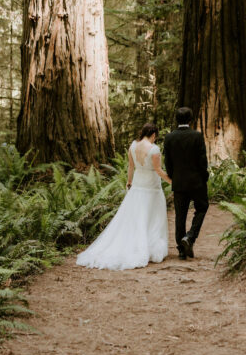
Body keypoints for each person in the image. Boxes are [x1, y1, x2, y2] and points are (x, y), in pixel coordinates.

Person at [76, 123, 171, 271]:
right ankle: (150, 248)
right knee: (153, 217)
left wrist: (129, 181)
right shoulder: (154, 149)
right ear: (153, 135)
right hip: (152, 187)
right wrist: (171, 181)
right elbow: (158, 170)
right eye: (155, 137)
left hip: (138, 186)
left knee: (136, 217)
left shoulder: (133, 146)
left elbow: (131, 167)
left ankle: (138, 244)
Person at [164, 106, 209, 259]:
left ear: (177, 120)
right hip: (197, 182)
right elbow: (202, 160)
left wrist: (173, 177)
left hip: (179, 183)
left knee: (180, 215)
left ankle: (181, 250)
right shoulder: (197, 136)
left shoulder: (169, 137)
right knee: (202, 208)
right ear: (190, 120)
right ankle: (190, 237)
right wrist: (205, 176)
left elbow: (168, 162)